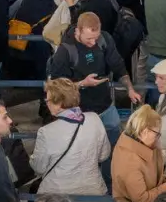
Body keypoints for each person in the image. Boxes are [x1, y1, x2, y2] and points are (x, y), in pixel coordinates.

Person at [32, 79, 110, 202]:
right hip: (90, 192)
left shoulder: (46, 132)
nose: (46, 103)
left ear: (59, 102)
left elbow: (38, 167)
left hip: (59, 197)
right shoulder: (95, 119)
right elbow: (104, 154)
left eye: (48, 99)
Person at [47, 11, 135, 141]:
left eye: (96, 37)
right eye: (89, 39)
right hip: (79, 112)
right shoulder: (65, 51)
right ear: (78, 31)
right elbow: (56, 86)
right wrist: (82, 83)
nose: (93, 42)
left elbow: (118, 66)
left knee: (115, 143)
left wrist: (130, 89)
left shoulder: (105, 39)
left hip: (106, 106)